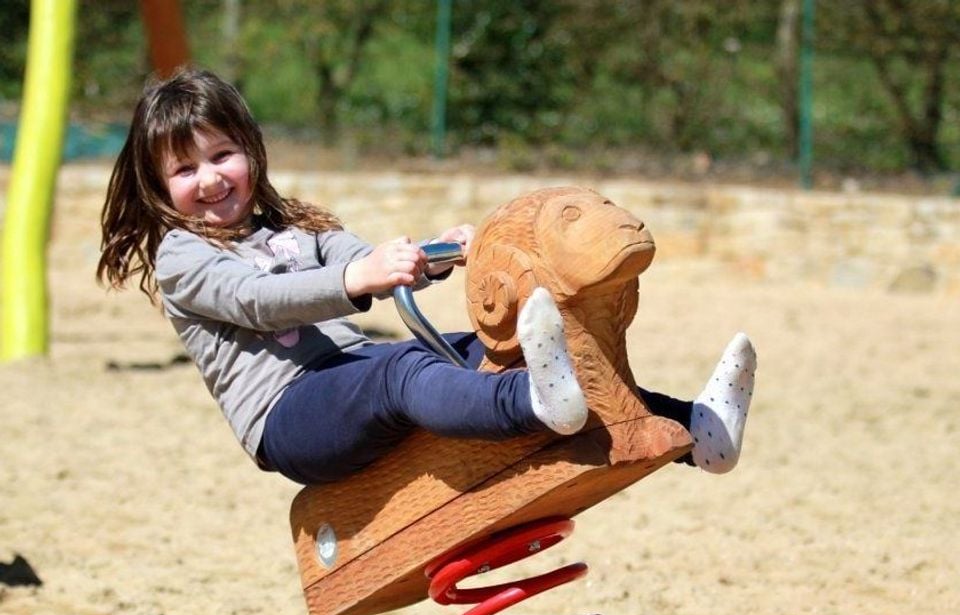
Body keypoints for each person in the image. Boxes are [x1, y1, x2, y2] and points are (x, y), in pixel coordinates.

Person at [98, 67, 756, 485]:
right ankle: (534, 404)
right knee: (401, 372)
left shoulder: (296, 225)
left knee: (487, 347)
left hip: (349, 378)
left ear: (251, 152)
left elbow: (382, 264)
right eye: (185, 171)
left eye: (221, 155)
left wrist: (450, 251)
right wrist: (360, 276)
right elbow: (258, 301)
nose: (210, 179)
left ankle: (697, 432)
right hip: (289, 418)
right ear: (157, 185)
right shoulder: (182, 256)